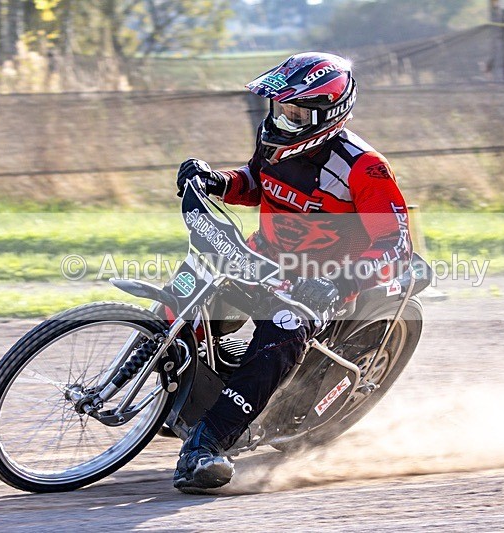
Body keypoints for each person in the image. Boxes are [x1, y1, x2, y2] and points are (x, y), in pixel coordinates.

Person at [173, 52, 412, 493]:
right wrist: (214, 181)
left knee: (280, 332)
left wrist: (338, 283)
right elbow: (255, 181)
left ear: (327, 115)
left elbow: (396, 246)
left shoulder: (364, 168)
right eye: (281, 107)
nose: (283, 117)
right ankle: (181, 388)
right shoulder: (275, 139)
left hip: (325, 282)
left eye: (296, 111)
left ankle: (208, 445)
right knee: (189, 298)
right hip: (264, 259)